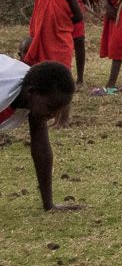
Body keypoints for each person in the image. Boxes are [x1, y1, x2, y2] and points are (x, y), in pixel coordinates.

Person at [0, 56, 84, 211]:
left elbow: (41, 150)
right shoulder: (3, 90)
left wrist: (49, 206)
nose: (54, 115)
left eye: (58, 110)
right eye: (51, 107)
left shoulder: (33, 89)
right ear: (31, 92)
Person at [23, 0, 83, 128]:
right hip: (45, 40)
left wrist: (62, 24)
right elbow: (38, 15)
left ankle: (63, 119)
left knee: (63, 79)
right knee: (48, 78)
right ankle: (50, 114)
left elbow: (78, 16)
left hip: (62, 40)